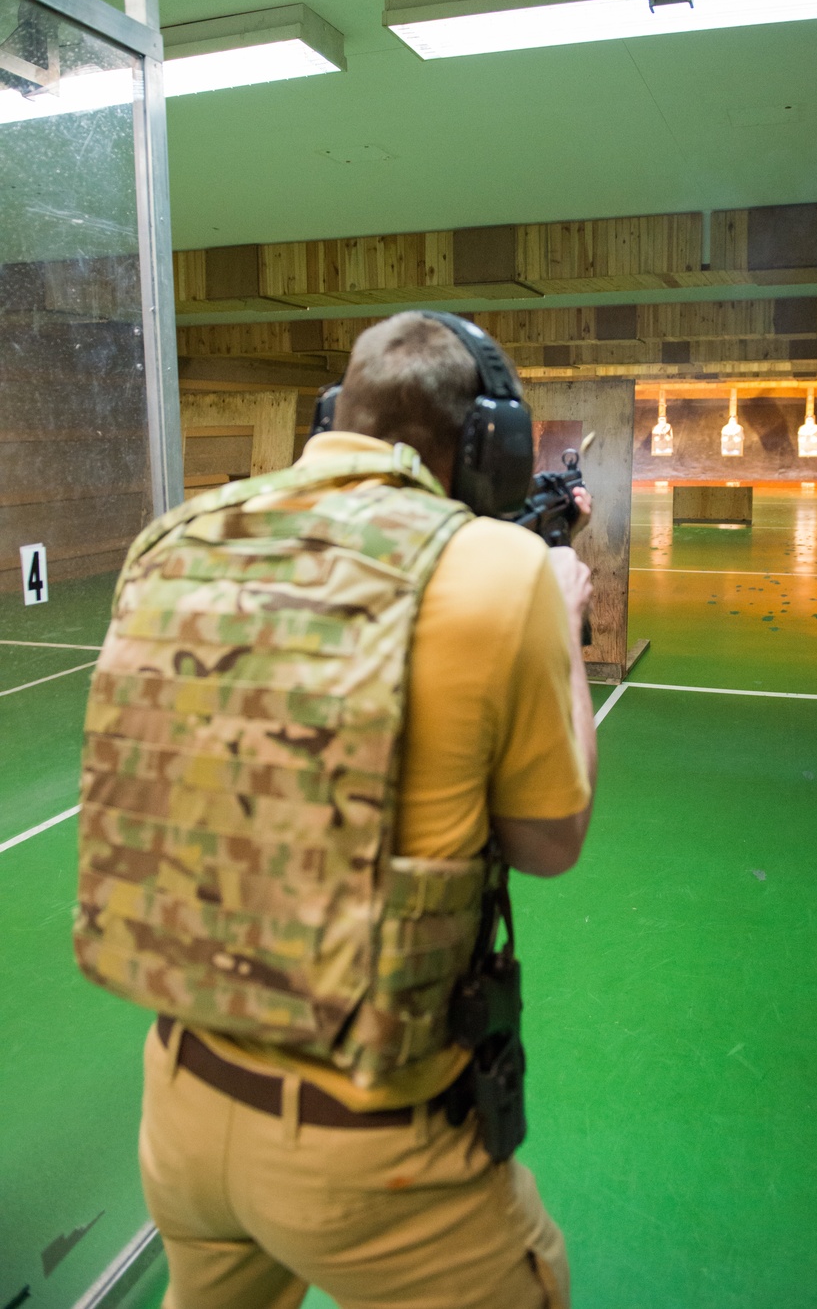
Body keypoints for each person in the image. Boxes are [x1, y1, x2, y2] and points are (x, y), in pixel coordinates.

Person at [121, 312, 597, 1308]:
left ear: (339, 413)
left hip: (178, 1099)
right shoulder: (505, 577)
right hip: (371, 1143)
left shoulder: (179, 538)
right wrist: (558, 613)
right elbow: (551, 843)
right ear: (484, 446)